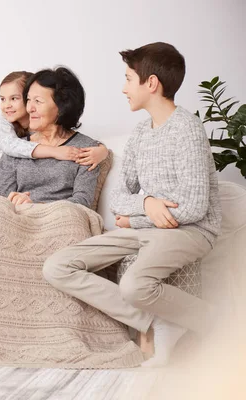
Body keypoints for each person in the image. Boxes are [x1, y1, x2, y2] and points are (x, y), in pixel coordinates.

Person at [42, 42, 222, 367]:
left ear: (151, 83)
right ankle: (156, 321)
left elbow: (195, 207)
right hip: (150, 228)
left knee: (135, 285)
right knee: (57, 267)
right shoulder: (140, 133)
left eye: (128, 79)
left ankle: (211, 320)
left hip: (191, 232)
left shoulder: (188, 130)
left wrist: (135, 218)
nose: (123, 88)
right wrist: (147, 203)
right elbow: (119, 198)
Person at [0, 67, 101, 209]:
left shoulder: (87, 149)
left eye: (38, 101)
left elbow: (82, 201)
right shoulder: (17, 148)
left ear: (62, 106)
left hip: (60, 218)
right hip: (19, 218)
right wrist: (18, 202)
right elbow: (0, 198)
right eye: (28, 100)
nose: (29, 108)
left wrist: (37, 206)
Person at [0, 71, 109, 171]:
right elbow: (9, 145)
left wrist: (103, 151)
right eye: (2, 99)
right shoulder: (6, 118)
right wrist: (55, 151)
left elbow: (80, 141)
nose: (6, 105)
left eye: (14, 99)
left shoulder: (42, 120)